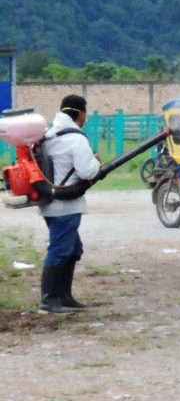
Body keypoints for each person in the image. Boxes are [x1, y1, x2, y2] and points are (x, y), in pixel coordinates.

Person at [38, 94, 101, 314]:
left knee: (73, 249)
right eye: (85, 113)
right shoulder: (76, 138)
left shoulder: (48, 134)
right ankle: (50, 299)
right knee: (60, 250)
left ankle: (64, 296)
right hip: (66, 206)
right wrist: (96, 162)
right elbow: (88, 171)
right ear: (80, 113)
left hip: (50, 202)